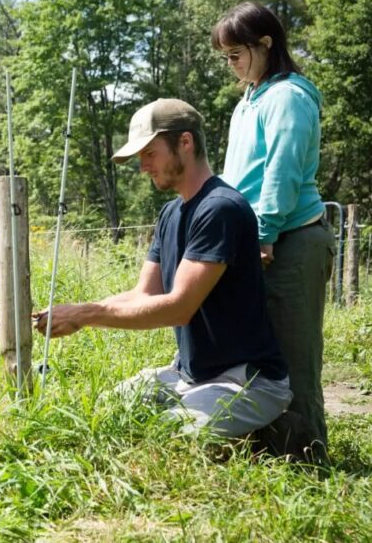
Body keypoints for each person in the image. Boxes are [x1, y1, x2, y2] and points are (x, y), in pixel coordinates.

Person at [33, 98, 292, 439]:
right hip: (186, 376)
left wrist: (85, 315)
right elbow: (145, 293)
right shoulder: (170, 213)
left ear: (185, 142)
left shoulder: (221, 209)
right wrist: (72, 312)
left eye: (150, 153)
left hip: (243, 380)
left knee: (166, 436)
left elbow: (179, 307)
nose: (143, 167)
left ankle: (279, 437)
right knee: (105, 414)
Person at [212, 1, 334, 449]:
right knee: (258, 350)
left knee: (294, 353)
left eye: (236, 54)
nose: (231, 64)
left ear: (265, 44)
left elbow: (282, 171)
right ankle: (266, 446)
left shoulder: (288, 97)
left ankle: (307, 455)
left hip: (291, 240)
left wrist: (264, 234)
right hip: (256, 240)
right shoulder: (250, 99)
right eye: (225, 57)